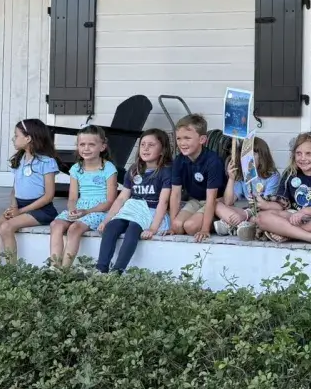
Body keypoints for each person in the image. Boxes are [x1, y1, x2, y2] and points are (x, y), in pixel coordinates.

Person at [97, 128, 174, 273]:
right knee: (112, 227)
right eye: (143, 144)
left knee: (133, 228)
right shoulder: (133, 170)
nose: (145, 148)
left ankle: (118, 271)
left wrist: (153, 228)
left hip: (151, 211)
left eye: (151, 145)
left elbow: (163, 202)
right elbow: (122, 198)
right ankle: (101, 268)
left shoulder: (165, 171)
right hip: (132, 209)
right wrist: (107, 219)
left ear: (163, 150)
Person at [0, 118, 60, 264]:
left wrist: (21, 211)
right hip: (19, 206)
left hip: (41, 209)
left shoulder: (47, 162)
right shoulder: (18, 161)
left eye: (16, 135)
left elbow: (49, 196)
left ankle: (11, 272)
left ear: (28, 138)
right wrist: (14, 207)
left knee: (6, 227)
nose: (13, 139)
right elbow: (14, 190)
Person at [254, 132, 311, 245]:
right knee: (261, 217)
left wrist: (305, 211)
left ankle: (288, 234)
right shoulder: (290, 174)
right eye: (298, 153)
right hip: (293, 217)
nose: (303, 158)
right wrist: (266, 205)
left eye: (309, 154)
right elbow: (282, 203)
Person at [50, 126, 117, 268]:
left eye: (91, 144)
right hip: (80, 207)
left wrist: (86, 212)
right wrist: (72, 209)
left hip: (99, 210)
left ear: (102, 147)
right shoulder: (76, 169)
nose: (86, 148)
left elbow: (110, 201)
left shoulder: (108, 168)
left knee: (74, 229)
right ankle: (54, 266)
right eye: (82, 144)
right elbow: (73, 197)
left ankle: (64, 269)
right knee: (56, 224)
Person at [169, 114, 227, 243]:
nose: (182, 143)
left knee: (191, 227)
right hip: (195, 200)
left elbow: (211, 198)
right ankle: (192, 222)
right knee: (178, 226)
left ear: (202, 139)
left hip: (215, 201)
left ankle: (219, 222)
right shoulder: (179, 161)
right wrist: (172, 226)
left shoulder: (212, 161)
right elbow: (175, 194)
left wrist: (205, 229)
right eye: (179, 138)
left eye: (187, 138)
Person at [219, 136, 279, 241]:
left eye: (252, 154)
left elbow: (265, 205)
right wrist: (231, 179)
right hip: (247, 212)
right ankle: (240, 224)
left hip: (263, 211)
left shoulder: (272, 176)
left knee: (260, 218)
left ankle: (232, 224)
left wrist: (245, 214)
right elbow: (228, 202)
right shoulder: (243, 174)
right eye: (244, 155)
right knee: (217, 204)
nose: (247, 159)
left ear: (262, 157)